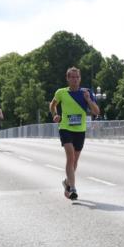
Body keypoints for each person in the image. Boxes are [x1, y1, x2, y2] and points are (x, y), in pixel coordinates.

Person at [49, 67, 100, 200]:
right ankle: (73, 188)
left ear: (80, 78)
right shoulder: (61, 92)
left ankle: (66, 182)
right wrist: (56, 115)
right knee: (70, 157)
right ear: (67, 78)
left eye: (77, 77)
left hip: (80, 130)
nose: (75, 79)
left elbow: (96, 112)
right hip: (65, 128)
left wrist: (88, 100)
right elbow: (52, 105)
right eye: (72, 77)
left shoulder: (87, 92)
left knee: (75, 161)